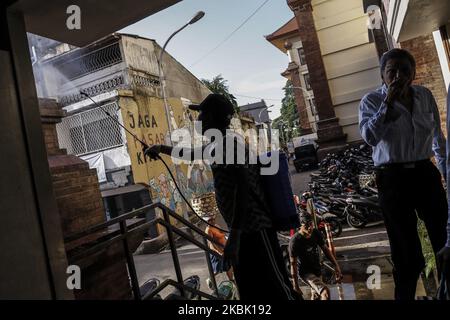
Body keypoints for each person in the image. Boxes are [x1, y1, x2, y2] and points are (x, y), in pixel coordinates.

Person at [144, 93, 301, 300]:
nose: (198, 120)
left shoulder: (229, 145)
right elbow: (190, 153)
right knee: (250, 288)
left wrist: (234, 237)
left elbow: (243, 189)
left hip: (255, 228)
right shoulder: (217, 145)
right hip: (242, 231)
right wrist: (161, 148)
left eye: (202, 114)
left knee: (276, 286)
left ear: (213, 117)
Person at [359, 48, 448, 300]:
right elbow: (369, 137)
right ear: (382, 75)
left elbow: (437, 140)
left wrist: (445, 174)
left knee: (443, 238)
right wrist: (388, 103)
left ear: (414, 73)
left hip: (424, 172)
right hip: (392, 179)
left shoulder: (424, 95)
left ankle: (445, 292)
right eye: (392, 71)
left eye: (405, 70)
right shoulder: (371, 101)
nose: (399, 75)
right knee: (406, 251)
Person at [289, 214, 342, 300]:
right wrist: (295, 285)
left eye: (311, 224)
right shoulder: (295, 242)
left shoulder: (315, 233)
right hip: (306, 273)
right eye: (306, 225)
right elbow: (293, 264)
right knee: (325, 293)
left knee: (316, 296)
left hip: (317, 269)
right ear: (300, 226)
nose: (310, 228)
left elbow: (326, 250)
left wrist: (336, 266)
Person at [203, 215, 235, 288]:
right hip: (217, 251)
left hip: (224, 248)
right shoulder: (208, 230)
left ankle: (231, 280)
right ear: (206, 221)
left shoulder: (216, 225)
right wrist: (220, 252)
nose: (212, 221)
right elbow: (212, 243)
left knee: (229, 265)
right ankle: (210, 279)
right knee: (217, 269)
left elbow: (223, 234)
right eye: (210, 220)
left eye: (213, 219)